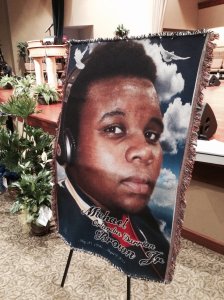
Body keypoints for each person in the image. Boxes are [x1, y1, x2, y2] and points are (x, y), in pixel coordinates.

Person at [56, 40, 170, 282]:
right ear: (69, 144)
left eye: (151, 135)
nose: (145, 152)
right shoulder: (63, 213)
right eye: (115, 129)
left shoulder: (154, 235)